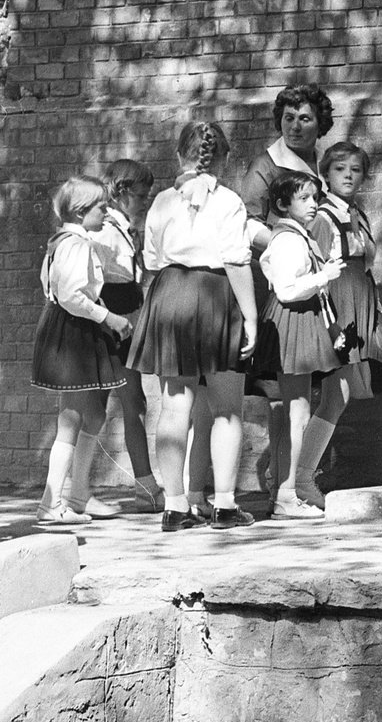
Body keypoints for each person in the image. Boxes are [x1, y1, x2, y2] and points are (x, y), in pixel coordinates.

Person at [128, 121, 257, 532]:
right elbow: (237, 260)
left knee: (173, 406)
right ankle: (224, 505)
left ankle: (175, 506)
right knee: (225, 408)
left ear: (177, 155)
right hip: (215, 293)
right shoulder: (230, 201)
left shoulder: (162, 201)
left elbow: (150, 260)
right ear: (224, 158)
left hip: (170, 293)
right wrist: (251, 317)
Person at [239, 83, 335, 498]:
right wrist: (287, 244)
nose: (295, 126)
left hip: (313, 285)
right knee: (284, 390)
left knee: (305, 388)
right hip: (279, 286)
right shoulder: (267, 165)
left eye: (305, 118)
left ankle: (293, 480)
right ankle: (285, 485)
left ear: (320, 124)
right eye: (288, 118)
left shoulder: (318, 163)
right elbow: (246, 223)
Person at [312, 141, 382, 480]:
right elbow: (317, 276)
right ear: (326, 175)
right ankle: (300, 476)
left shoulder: (358, 213)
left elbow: (365, 267)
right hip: (339, 312)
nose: (348, 175)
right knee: (335, 397)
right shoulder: (322, 219)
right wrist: (329, 328)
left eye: (356, 170)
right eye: (339, 169)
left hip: (367, 308)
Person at [32, 177, 132, 528]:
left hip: (78, 329)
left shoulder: (66, 241)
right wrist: (110, 317)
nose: (106, 212)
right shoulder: (75, 245)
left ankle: (77, 495)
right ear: (80, 211)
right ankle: (51, 502)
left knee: (94, 417)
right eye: (101, 207)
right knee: (71, 418)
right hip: (74, 331)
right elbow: (73, 296)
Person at [258, 172, 347, 519]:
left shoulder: (297, 236)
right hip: (292, 322)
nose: (313, 205)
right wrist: (323, 276)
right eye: (304, 199)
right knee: (295, 413)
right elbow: (286, 289)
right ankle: (285, 495)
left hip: (301, 321)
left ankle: (284, 490)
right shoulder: (289, 240)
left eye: (315, 198)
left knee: (294, 412)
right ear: (283, 204)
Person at [97, 158, 164, 512]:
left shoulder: (124, 227)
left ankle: (145, 485)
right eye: (140, 194)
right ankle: (72, 489)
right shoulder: (104, 231)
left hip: (127, 315)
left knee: (134, 402)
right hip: (110, 319)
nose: (145, 201)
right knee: (96, 405)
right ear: (121, 192)